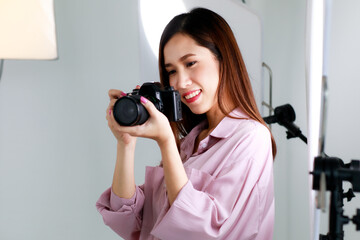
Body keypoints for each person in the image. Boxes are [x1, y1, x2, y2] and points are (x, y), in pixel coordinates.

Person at [96, 7, 276, 240]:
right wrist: (125, 143)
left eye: (190, 63)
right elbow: (131, 221)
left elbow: (203, 230)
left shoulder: (251, 138)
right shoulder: (189, 144)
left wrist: (166, 142)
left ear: (223, 59)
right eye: (171, 71)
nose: (180, 82)